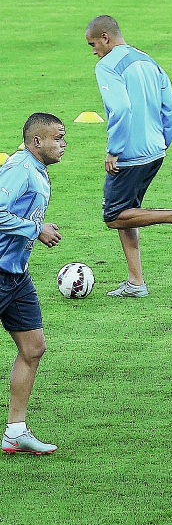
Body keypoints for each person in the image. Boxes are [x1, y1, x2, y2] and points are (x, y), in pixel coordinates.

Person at [85, 15, 172, 296]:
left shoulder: (107, 66)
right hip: (155, 150)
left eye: (93, 44)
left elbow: (121, 109)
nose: (93, 51)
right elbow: (171, 108)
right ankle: (136, 282)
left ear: (105, 38)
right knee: (128, 213)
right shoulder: (148, 61)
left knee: (114, 216)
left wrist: (114, 150)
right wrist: (163, 142)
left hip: (130, 154)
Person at [0, 114, 65, 456]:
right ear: (37, 141)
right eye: (59, 137)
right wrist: (34, 229)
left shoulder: (35, 168)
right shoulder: (19, 170)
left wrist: (36, 224)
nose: (64, 144)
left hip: (16, 275)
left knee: (33, 347)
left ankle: (15, 432)